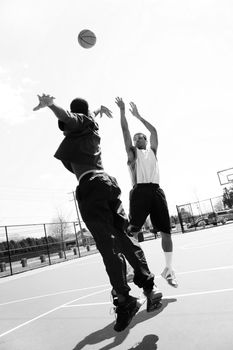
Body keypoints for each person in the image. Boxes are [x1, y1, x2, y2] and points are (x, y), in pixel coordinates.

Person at [33, 94, 163, 332]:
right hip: (107, 184)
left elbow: (70, 117)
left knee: (108, 247)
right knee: (123, 238)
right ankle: (149, 287)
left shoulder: (80, 122)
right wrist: (98, 110)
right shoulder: (91, 126)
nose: (64, 130)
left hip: (91, 187)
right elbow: (85, 115)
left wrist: (51, 105)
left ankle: (125, 300)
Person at [115, 97, 178, 288]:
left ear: (145, 139)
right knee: (132, 231)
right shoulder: (132, 155)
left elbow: (154, 131)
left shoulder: (153, 151)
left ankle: (168, 269)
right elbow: (125, 131)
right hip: (140, 191)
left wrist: (139, 116)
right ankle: (132, 269)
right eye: (135, 138)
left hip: (156, 191)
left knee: (166, 232)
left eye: (139, 136)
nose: (136, 138)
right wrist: (123, 112)